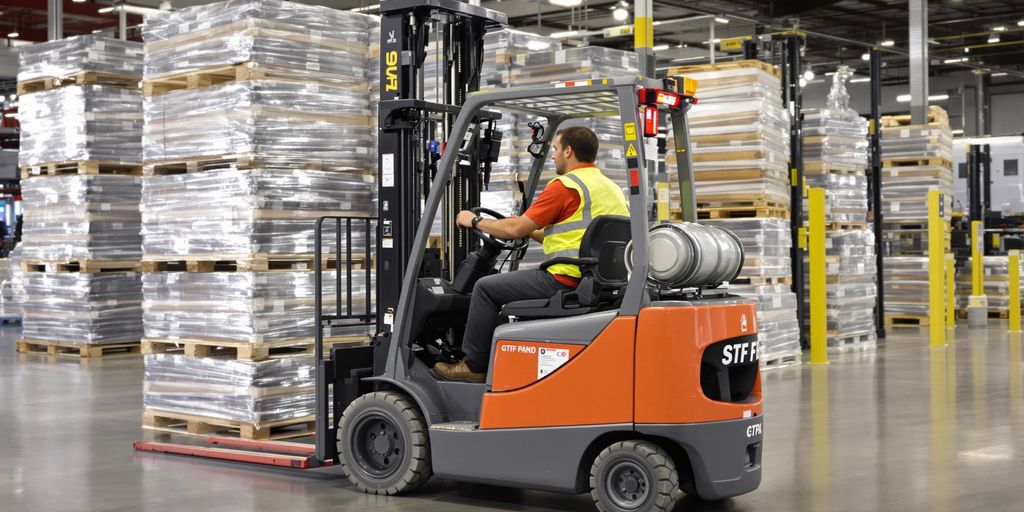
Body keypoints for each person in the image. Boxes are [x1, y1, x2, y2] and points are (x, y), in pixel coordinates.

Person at [435, 126, 630, 382]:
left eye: (556, 149)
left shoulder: (566, 186)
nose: (553, 156)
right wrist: (519, 229)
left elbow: (515, 228)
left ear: (568, 151)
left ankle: (473, 366)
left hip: (564, 278)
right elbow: (576, 235)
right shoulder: (611, 187)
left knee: (484, 288)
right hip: (596, 281)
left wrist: (474, 221)